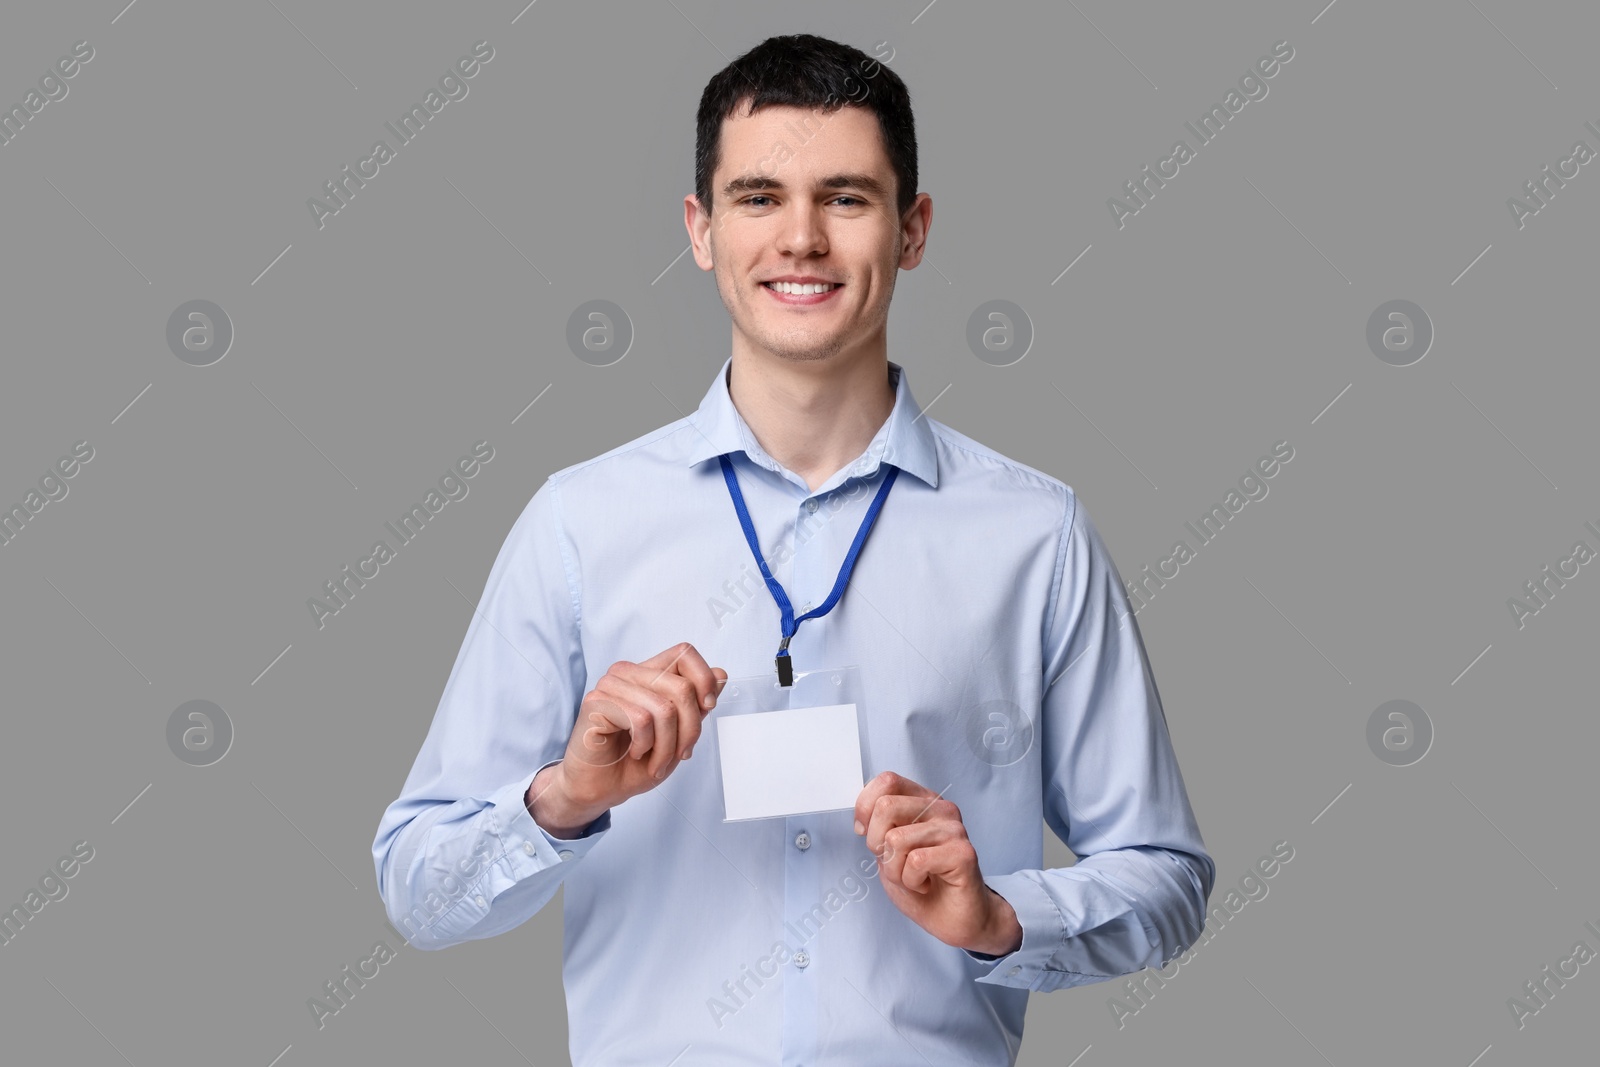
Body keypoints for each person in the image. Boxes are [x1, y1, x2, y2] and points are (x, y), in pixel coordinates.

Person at [373, 32, 1213, 1066]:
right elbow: (419, 885)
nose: (801, 238)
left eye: (847, 197)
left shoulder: (1033, 535)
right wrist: (564, 798)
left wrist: (1001, 915)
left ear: (912, 231)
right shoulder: (579, 523)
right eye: (760, 197)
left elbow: (1166, 877)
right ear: (700, 228)